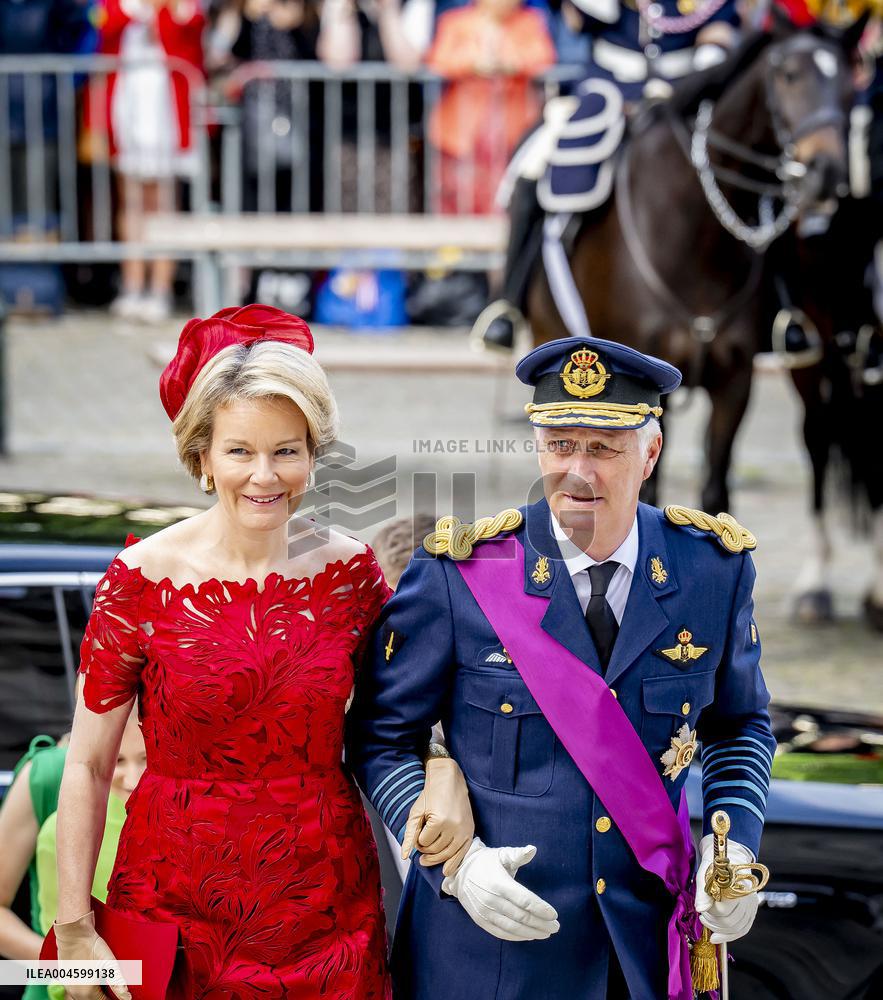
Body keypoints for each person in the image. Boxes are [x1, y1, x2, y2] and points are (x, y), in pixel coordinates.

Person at [49, 303, 472, 999]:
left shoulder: (351, 574)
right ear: (202, 457)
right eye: (240, 451)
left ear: (313, 454)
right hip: (171, 904)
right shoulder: (140, 578)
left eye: (286, 450)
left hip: (324, 905)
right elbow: (90, 765)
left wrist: (445, 768)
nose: (264, 475)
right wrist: (74, 932)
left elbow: (401, 719)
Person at [348, 335, 776, 999]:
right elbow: (377, 735)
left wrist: (734, 851)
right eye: (558, 445)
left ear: (650, 454)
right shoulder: (461, 574)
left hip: (643, 948)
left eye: (602, 449)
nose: (576, 471)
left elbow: (739, 725)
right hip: (492, 950)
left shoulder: (710, 570)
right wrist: (456, 865)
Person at [476, 0, 739, 349]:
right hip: (608, 89)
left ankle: (782, 311)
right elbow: (576, 20)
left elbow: (716, 32)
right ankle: (508, 303)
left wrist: (703, 76)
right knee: (535, 160)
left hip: (686, 95)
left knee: (748, 165)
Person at [88, 0, 206, 323]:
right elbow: (105, 28)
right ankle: (132, 285)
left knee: (163, 203)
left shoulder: (181, 6)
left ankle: (160, 288)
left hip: (166, 111)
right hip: (127, 109)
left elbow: (188, 30)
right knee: (130, 202)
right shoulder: (119, 6)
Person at [36, 708, 146, 1000]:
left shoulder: (186, 827)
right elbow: (59, 958)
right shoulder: (57, 834)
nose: (132, 779)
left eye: (145, 758)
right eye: (118, 760)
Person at [425, 0, 556, 215]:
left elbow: (543, 57)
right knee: (454, 198)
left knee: (503, 198)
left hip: (511, 133)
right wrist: (474, 63)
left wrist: (509, 63)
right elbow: (439, 59)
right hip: (461, 135)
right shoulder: (455, 21)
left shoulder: (530, 22)